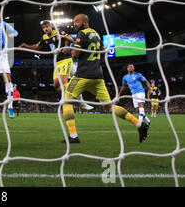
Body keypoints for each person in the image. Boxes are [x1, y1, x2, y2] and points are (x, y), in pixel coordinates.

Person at [61, 14, 149, 143]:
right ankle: (139, 124)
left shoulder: (82, 33)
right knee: (109, 107)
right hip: (98, 76)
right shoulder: (96, 34)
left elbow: (75, 53)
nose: (75, 24)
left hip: (82, 75)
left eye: (77, 21)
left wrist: (69, 48)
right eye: (74, 21)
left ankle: (73, 136)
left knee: (66, 102)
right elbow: (103, 51)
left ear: (85, 22)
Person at [19, 21, 93, 112]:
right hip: (56, 62)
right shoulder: (44, 37)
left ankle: (80, 101)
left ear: (51, 26)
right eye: (43, 28)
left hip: (65, 60)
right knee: (56, 85)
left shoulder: (58, 31)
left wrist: (65, 45)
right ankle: (75, 97)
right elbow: (37, 47)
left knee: (63, 81)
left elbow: (70, 39)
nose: (45, 29)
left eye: (47, 26)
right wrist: (26, 46)